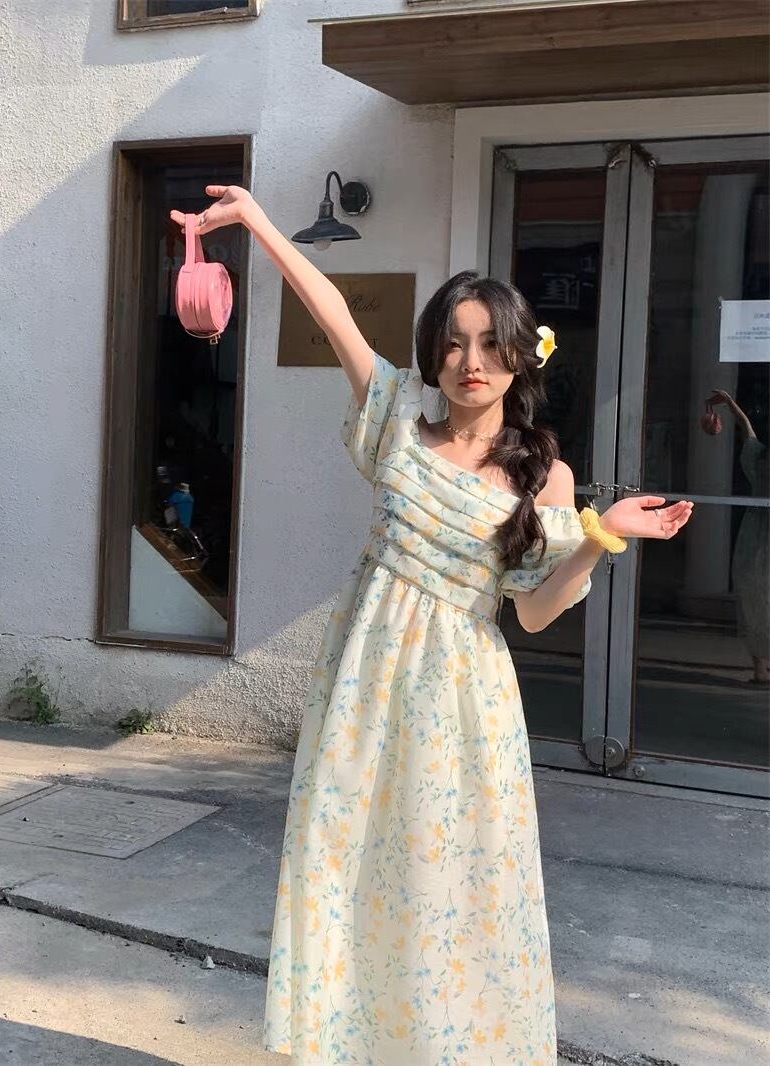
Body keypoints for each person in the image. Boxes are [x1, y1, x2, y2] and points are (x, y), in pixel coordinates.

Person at [171, 186, 693, 1066]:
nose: (470, 361)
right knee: (347, 865)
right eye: (452, 343)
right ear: (432, 356)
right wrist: (257, 222)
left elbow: (533, 611)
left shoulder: (545, 477)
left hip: (462, 701)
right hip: (363, 688)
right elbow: (333, 312)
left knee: (451, 885)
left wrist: (600, 538)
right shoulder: (398, 425)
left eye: (489, 343)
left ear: (521, 356)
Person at [706, 389, 769, 685]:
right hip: (756, 535)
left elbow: (747, 429)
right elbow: (748, 430)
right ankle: (760, 667)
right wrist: (731, 405)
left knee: (754, 598)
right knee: (754, 597)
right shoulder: (759, 458)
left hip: (755, 532)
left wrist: (731, 405)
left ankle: (760, 667)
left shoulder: (759, 458)